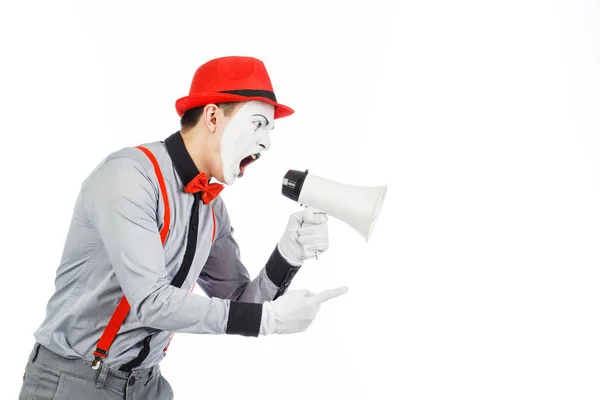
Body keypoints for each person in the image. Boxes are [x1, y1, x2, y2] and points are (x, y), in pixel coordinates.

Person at [18, 56, 348, 400]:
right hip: (74, 382)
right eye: (258, 124)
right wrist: (268, 320)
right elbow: (152, 302)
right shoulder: (129, 177)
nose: (266, 143)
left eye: (269, 130)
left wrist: (288, 255)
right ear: (213, 116)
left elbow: (239, 302)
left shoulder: (212, 209)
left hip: (147, 385)